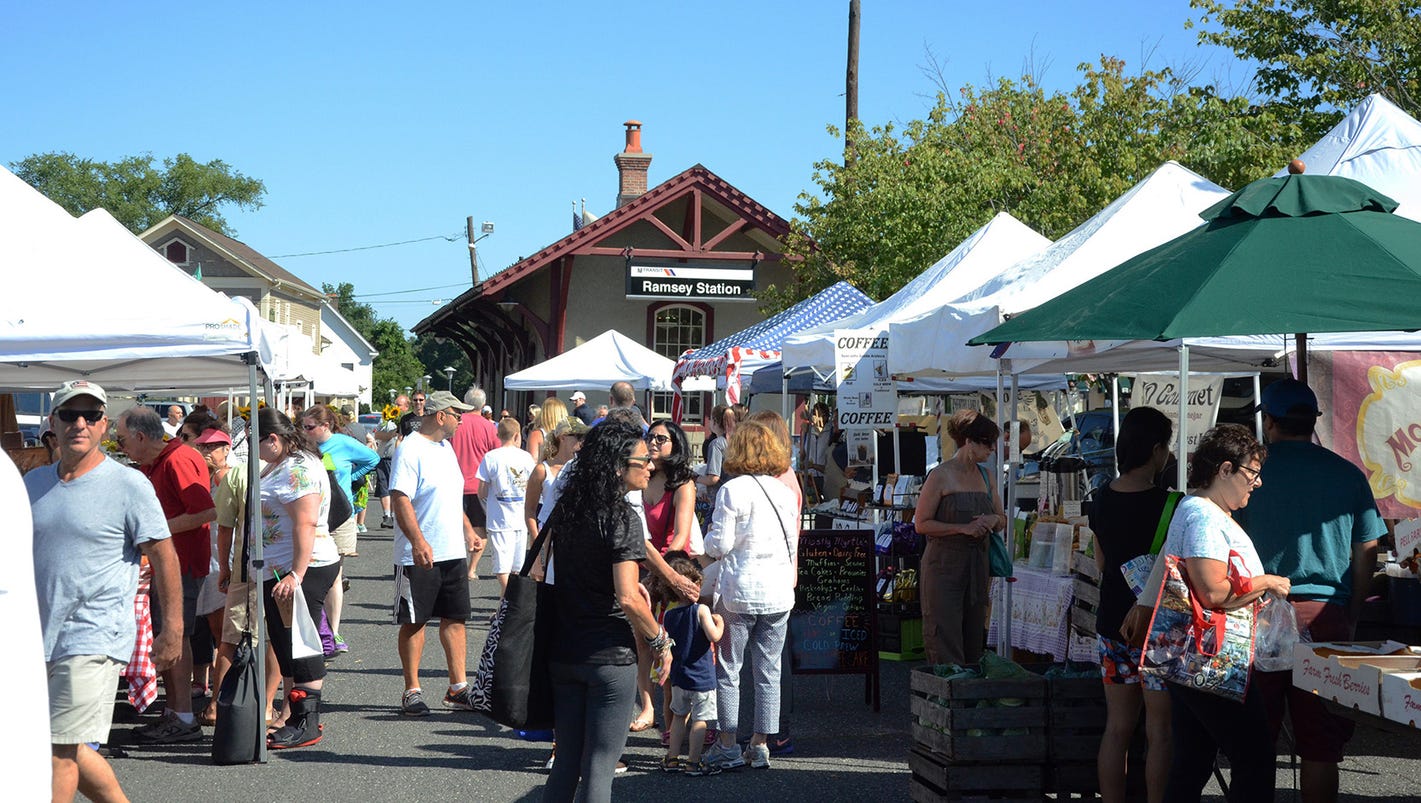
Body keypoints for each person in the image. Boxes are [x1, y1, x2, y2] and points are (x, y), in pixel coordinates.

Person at [1233, 379, 1385, 803]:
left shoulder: (1250, 476)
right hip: (1327, 617)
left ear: (1270, 422)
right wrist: (1353, 608)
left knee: (1254, 742)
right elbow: (1368, 547)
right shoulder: (1347, 474)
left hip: (1258, 614)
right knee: (1321, 745)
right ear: (1313, 422)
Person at [29, 380, 181, 802]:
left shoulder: (128, 484)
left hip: (94, 635)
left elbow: (165, 556)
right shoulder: (33, 483)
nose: (80, 423)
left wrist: (172, 629)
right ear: (52, 423)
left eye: (91, 416)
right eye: (69, 415)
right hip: (37, 637)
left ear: (104, 426)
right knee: (67, 744)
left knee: (56, 751)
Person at [1132, 424, 1292, 803]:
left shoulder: (1199, 509)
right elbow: (1213, 591)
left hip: (1196, 657)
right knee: (1254, 757)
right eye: (1251, 473)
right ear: (1224, 470)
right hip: (1213, 658)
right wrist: (1267, 582)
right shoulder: (1204, 516)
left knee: (1193, 760)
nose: (1257, 483)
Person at [542, 420, 670, 803]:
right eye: (643, 461)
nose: (650, 466)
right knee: (600, 764)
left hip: (563, 649)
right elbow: (628, 597)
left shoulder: (568, 510)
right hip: (608, 656)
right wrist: (661, 641)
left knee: (565, 762)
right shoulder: (622, 517)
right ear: (616, 466)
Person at [701, 419, 799, 771]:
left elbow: (720, 544)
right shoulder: (785, 492)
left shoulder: (733, 490)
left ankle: (727, 742)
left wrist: (705, 543)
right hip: (777, 590)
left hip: (739, 591)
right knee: (769, 670)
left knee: (730, 668)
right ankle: (760, 744)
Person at [1088, 407, 1175, 803]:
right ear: (1156, 450)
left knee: (1117, 728)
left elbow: (1102, 562)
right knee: (1160, 730)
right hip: (1160, 629)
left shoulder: (1100, 499)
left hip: (1113, 625)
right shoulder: (1173, 506)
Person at [117, 405, 215, 743]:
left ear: (141, 437)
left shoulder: (177, 459)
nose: (121, 448)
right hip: (171, 562)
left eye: (122, 441)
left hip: (181, 563)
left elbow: (205, 511)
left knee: (177, 635)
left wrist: (154, 533)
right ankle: (175, 711)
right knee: (169, 635)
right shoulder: (164, 459)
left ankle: (183, 715)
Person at [388, 390, 485, 716]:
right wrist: (417, 541)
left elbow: (449, 497)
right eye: (457, 414)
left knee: (455, 619)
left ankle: (457, 688)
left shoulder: (446, 448)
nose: (461, 420)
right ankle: (411, 690)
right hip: (419, 553)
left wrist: (468, 529)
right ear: (441, 415)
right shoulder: (411, 449)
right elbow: (401, 498)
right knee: (415, 621)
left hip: (451, 549)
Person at [253, 408, 341, 749]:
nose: (254, 448)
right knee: (285, 640)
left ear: (273, 439)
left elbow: (306, 522)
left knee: (301, 642)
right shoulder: (282, 463)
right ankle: (292, 715)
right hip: (279, 568)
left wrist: (296, 574)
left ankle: (308, 721)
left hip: (305, 566)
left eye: (256, 440)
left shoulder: (299, 469)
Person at [912, 409, 1006, 666]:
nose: (993, 449)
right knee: (944, 635)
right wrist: (961, 529)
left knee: (974, 637)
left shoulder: (987, 476)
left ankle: (970, 698)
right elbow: (921, 524)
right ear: (969, 441)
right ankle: (945, 697)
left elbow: (1002, 517)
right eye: (987, 443)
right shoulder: (940, 475)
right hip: (943, 568)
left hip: (978, 568)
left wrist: (992, 520)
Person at [301, 404, 379, 656]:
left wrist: (351, 476)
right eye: (302, 426)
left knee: (335, 574)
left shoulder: (344, 443)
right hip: (312, 514)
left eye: (309, 427)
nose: (304, 431)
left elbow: (373, 459)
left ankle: (333, 632)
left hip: (339, 513)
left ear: (325, 426)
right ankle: (316, 627)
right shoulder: (301, 447)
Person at [652, 555, 725, 776]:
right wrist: (719, 622)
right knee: (700, 720)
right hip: (702, 677)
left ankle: (672, 759)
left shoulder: (670, 616)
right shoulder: (701, 611)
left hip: (679, 677)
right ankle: (693, 762)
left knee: (678, 717)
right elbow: (714, 636)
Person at [476, 417, 536, 597]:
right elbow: (533, 484)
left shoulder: (491, 457)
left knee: (502, 565)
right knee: (517, 566)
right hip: (521, 517)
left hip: (499, 518)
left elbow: (482, 491)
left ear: (498, 435)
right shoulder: (525, 457)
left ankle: (507, 598)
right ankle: (509, 599)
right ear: (517, 435)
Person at [451, 385, 500, 580]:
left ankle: (456, 567)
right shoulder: (489, 427)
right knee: (480, 529)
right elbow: (495, 455)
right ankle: (471, 568)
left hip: (455, 484)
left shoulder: (457, 424)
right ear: (484, 405)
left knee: (454, 528)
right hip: (480, 487)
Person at [524, 417, 587, 544]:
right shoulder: (542, 469)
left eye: (584, 437)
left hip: (576, 537)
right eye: (578, 436)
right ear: (562, 437)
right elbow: (530, 509)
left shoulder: (582, 468)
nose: (582, 441)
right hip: (549, 537)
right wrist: (536, 538)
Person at [643, 420, 699, 556]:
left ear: (675, 445)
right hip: (642, 562)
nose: (653, 442)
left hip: (670, 563)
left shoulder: (683, 485)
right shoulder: (642, 477)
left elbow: (681, 536)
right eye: (649, 437)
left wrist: (661, 571)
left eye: (661, 439)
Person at [374, 393, 411, 529]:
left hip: (400, 459)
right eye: (395, 404)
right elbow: (377, 434)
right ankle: (387, 515)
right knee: (384, 486)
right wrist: (391, 434)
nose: (395, 407)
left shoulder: (408, 420)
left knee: (397, 487)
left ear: (406, 407)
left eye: (399, 405)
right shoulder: (386, 420)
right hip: (384, 457)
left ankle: (396, 516)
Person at [800, 402, 834, 500]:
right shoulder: (807, 431)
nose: (816, 418)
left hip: (826, 478)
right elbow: (802, 455)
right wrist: (803, 434)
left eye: (819, 415)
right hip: (810, 478)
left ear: (826, 416)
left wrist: (814, 465)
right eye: (814, 414)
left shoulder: (831, 431)